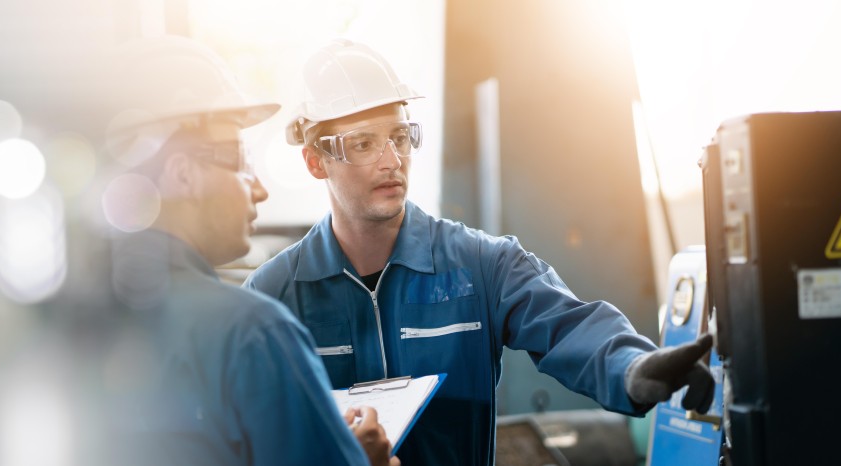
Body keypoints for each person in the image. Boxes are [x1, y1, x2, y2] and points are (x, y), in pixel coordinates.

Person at [243, 39, 715, 466]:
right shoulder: (273, 297)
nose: (391, 159)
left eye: (400, 136)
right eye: (363, 143)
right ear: (314, 161)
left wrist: (631, 368)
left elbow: (569, 325)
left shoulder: (480, 265)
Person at [102, 36, 398, 466]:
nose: (259, 190)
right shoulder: (253, 333)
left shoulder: (72, 323)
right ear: (183, 175)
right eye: (240, 160)